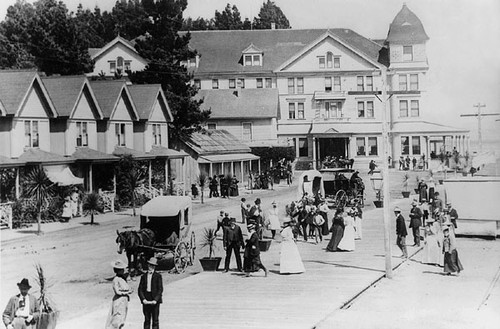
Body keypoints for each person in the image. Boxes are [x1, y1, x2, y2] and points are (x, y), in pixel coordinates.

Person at [106, 260, 133, 329]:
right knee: (117, 317)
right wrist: (127, 292)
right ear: (117, 271)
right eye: (121, 270)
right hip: (119, 300)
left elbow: (126, 287)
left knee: (122, 318)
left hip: (124, 300)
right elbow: (117, 292)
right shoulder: (116, 279)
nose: (123, 271)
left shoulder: (123, 278)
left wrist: (129, 289)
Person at [138, 257, 163, 329]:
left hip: (155, 299)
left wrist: (156, 300)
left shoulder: (158, 276)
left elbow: (160, 289)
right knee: (147, 319)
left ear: (155, 267)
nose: (150, 267)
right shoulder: (143, 276)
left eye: (152, 266)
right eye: (149, 265)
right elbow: (140, 289)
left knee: (155, 320)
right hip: (146, 298)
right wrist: (143, 299)